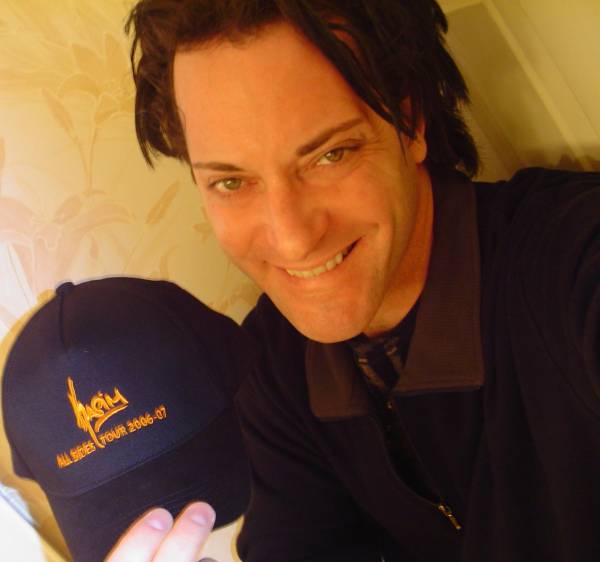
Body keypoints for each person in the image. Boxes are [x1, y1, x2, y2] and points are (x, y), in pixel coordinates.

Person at [107, 0, 600, 560]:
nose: (292, 240)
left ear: (410, 122)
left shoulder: (571, 261)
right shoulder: (273, 365)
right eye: (231, 182)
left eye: (330, 154)